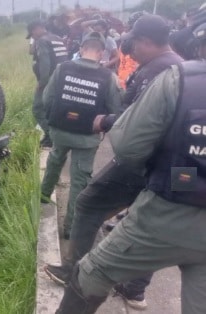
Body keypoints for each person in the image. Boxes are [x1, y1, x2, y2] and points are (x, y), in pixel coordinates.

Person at [55, 20, 206, 314]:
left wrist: (172, 171)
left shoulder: (181, 79)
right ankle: (136, 291)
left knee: (91, 273)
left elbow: (129, 146)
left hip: (169, 210)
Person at [39, 31, 122, 239]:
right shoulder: (108, 77)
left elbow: (47, 99)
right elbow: (115, 109)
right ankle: (70, 229)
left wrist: (52, 125)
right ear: (101, 52)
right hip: (87, 137)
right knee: (79, 181)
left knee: (55, 160)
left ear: (82, 49)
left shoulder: (62, 68)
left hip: (60, 131)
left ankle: (42, 199)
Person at [26, 20, 68, 148]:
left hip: (49, 81)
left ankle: (50, 137)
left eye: (31, 34)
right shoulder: (57, 38)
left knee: (38, 109)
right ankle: (57, 136)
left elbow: (45, 63)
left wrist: (42, 83)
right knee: (52, 110)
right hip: (61, 79)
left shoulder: (42, 41)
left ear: (35, 29)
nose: (32, 37)